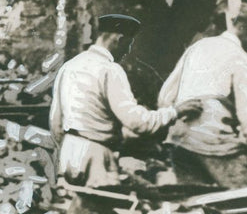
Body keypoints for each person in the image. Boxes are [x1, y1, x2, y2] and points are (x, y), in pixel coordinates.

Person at [49, 14, 197, 190]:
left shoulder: (69, 66)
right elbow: (136, 122)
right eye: (128, 44)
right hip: (96, 156)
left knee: (75, 211)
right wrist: (175, 112)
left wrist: (67, 147)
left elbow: (55, 121)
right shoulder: (110, 70)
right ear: (118, 39)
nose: (127, 51)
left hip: (68, 153)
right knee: (106, 212)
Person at [158, 5, 247, 190]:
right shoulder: (242, 59)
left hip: (180, 139)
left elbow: (164, 97)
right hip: (213, 139)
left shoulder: (199, 46)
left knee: (195, 202)